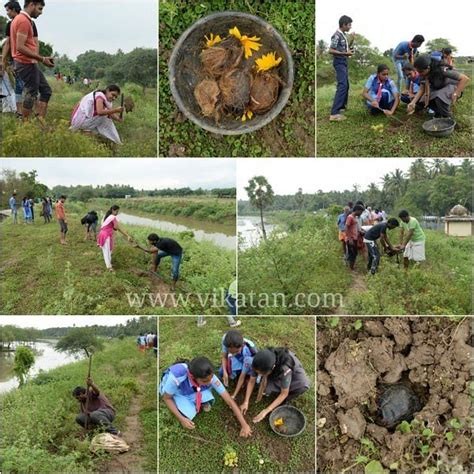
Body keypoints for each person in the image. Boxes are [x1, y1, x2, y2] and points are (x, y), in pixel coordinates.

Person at [160, 356, 252, 437]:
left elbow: (229, 400)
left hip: (193, 388)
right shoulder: (176, 377)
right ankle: (187, 403)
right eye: (205, 381)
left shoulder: (209, 377)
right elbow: (167, 398)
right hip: (178, 391)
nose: (209, 382)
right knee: (189, 414)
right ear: (192, 376)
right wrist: (181, 419)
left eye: (211, 378)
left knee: (207, 397)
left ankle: (198, 400)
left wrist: (244, 424)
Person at [10, 0, 54, 123]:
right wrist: (42, 59)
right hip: (25, 63)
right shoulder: (23, 20)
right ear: (31, 5)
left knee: (46, 91)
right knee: (31, 93)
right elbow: (20, 46)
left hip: (29, 62)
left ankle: (40, 122)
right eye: (39, 9)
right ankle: (25, 125)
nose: (41, 12)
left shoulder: (23, 20)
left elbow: (27, 45)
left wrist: (40, 58)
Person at [240, 347, 310, 423]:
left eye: (261, 373)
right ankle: (277, 386)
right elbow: (251, 381)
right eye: (258, 372)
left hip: (294, 375)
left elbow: (284, 393)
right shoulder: (259, 361)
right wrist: (246, 401)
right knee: (266, 389)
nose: (259, 374)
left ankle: (282, 401)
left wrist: (266, 411)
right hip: (275, 372)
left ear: (272, 368)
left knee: (303, 385)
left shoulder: (285, 370)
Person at [2, 1, 27, 116]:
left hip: (26, 58)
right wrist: (4, 61)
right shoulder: (10, 24)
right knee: (19, 84)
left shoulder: (26, 22)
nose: (7, 13)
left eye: (8, 10)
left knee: (26, 85)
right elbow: (8, 43)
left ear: (14, 10)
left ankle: (24, 110)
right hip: (15, 59)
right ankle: (19, 111)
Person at [328, 15, 354, 121]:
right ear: (344, 25)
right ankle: (334, 113)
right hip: (339, 62)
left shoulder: (343, 35)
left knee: (346, 85)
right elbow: (330, 50)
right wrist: (345, 53)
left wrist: (350, 46)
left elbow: (345, 49)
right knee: (342, 85)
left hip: (344, 62)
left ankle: (342, 107)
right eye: (349, 25)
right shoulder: (337, 35)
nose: (350, 27)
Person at [219, 330, 257, 398]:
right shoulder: (226, 340)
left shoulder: (250, 350)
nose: (233, 354)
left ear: (242, 346)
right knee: (221, 372)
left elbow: (244, 373)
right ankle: (234, 374)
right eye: (230, 351)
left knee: (246, 377)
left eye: (236, 351)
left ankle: (244, 378)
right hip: (236, 359)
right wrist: (225, 372)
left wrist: (234, 395)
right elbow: (224, 356)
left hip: (247, 363)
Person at [96, 205, 133, 272]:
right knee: (107, 251)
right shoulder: (113, 217)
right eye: (116, 211)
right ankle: (109, 267)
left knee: (108, 250)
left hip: (103, 234)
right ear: (113, 210)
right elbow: (116, 228)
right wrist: (127, 235)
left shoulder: (106, 216)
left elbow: (108, 226)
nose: (117, 213)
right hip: (106, 235)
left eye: (118, 211)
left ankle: (109, 264)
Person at [344, 204, 364, 270]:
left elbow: (354, 228)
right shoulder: (350, 217)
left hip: (354, 238)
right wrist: (349, 239)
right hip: (351, 239)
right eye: (361, 212)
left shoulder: (354, 217)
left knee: (354, 253)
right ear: (357, 210)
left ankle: (352, 267)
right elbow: (346, 228)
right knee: (352, 253)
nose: (361, 213)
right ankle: (351, 268)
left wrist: (360, 232)